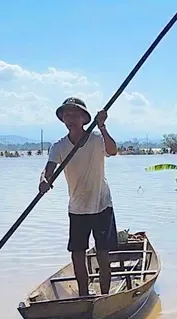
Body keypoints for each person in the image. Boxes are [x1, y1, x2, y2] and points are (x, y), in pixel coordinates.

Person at [39, 97, 119, 297]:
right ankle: (83, 296)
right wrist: (43, 180)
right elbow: (49, 169)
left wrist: (102, 127)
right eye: (67, 115)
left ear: (84, 119)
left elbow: (113, 150)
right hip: (77, 208)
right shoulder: (58, 146)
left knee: (102, 253)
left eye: (75, 114)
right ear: (63, 120)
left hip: (101, 204)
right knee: (77, 254)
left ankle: (105, 296)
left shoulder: (96, 140)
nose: (70, 118)